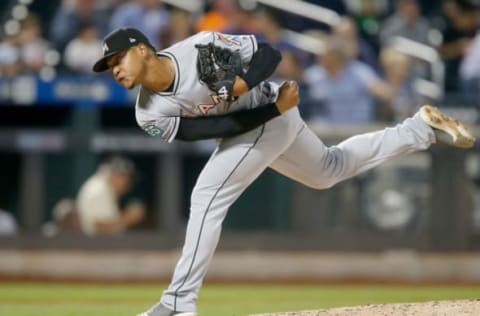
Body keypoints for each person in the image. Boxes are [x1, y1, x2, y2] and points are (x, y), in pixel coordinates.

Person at [92, 27, 475, 316]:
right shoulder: (148, 113)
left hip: (270, 110)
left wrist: (247, 83)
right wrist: (273, 111)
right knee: (328, 169)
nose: (115, 70)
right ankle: (419, 129)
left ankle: (177, 303)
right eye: (109, 67)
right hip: (262, 120)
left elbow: (269, 53)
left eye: (118, 60)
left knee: (207, 196)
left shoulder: (198, 48)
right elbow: (210, 130)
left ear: (142, 49)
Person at [76, 156, 145, 236]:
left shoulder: (105, 187)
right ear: (115, 175)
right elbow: (99, 228)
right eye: (126, 178)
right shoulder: (99, 190)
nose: (128, 183)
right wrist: (128, 218)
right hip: (96, 245)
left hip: (101, 244)